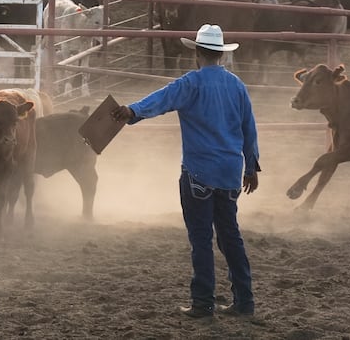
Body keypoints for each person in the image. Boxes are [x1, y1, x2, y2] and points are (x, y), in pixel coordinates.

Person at [111, 23, 261, 319]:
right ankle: (244, 301)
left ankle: (203, 302)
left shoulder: (191, 83)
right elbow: (249, 129)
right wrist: (252, 165)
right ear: (220, 55)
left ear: (197, 54)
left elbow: (161, 100)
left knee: (201, 238)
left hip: (199, 170)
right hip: (230, 171)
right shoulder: (237, 86)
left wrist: (131, 111)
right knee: (230, 236)